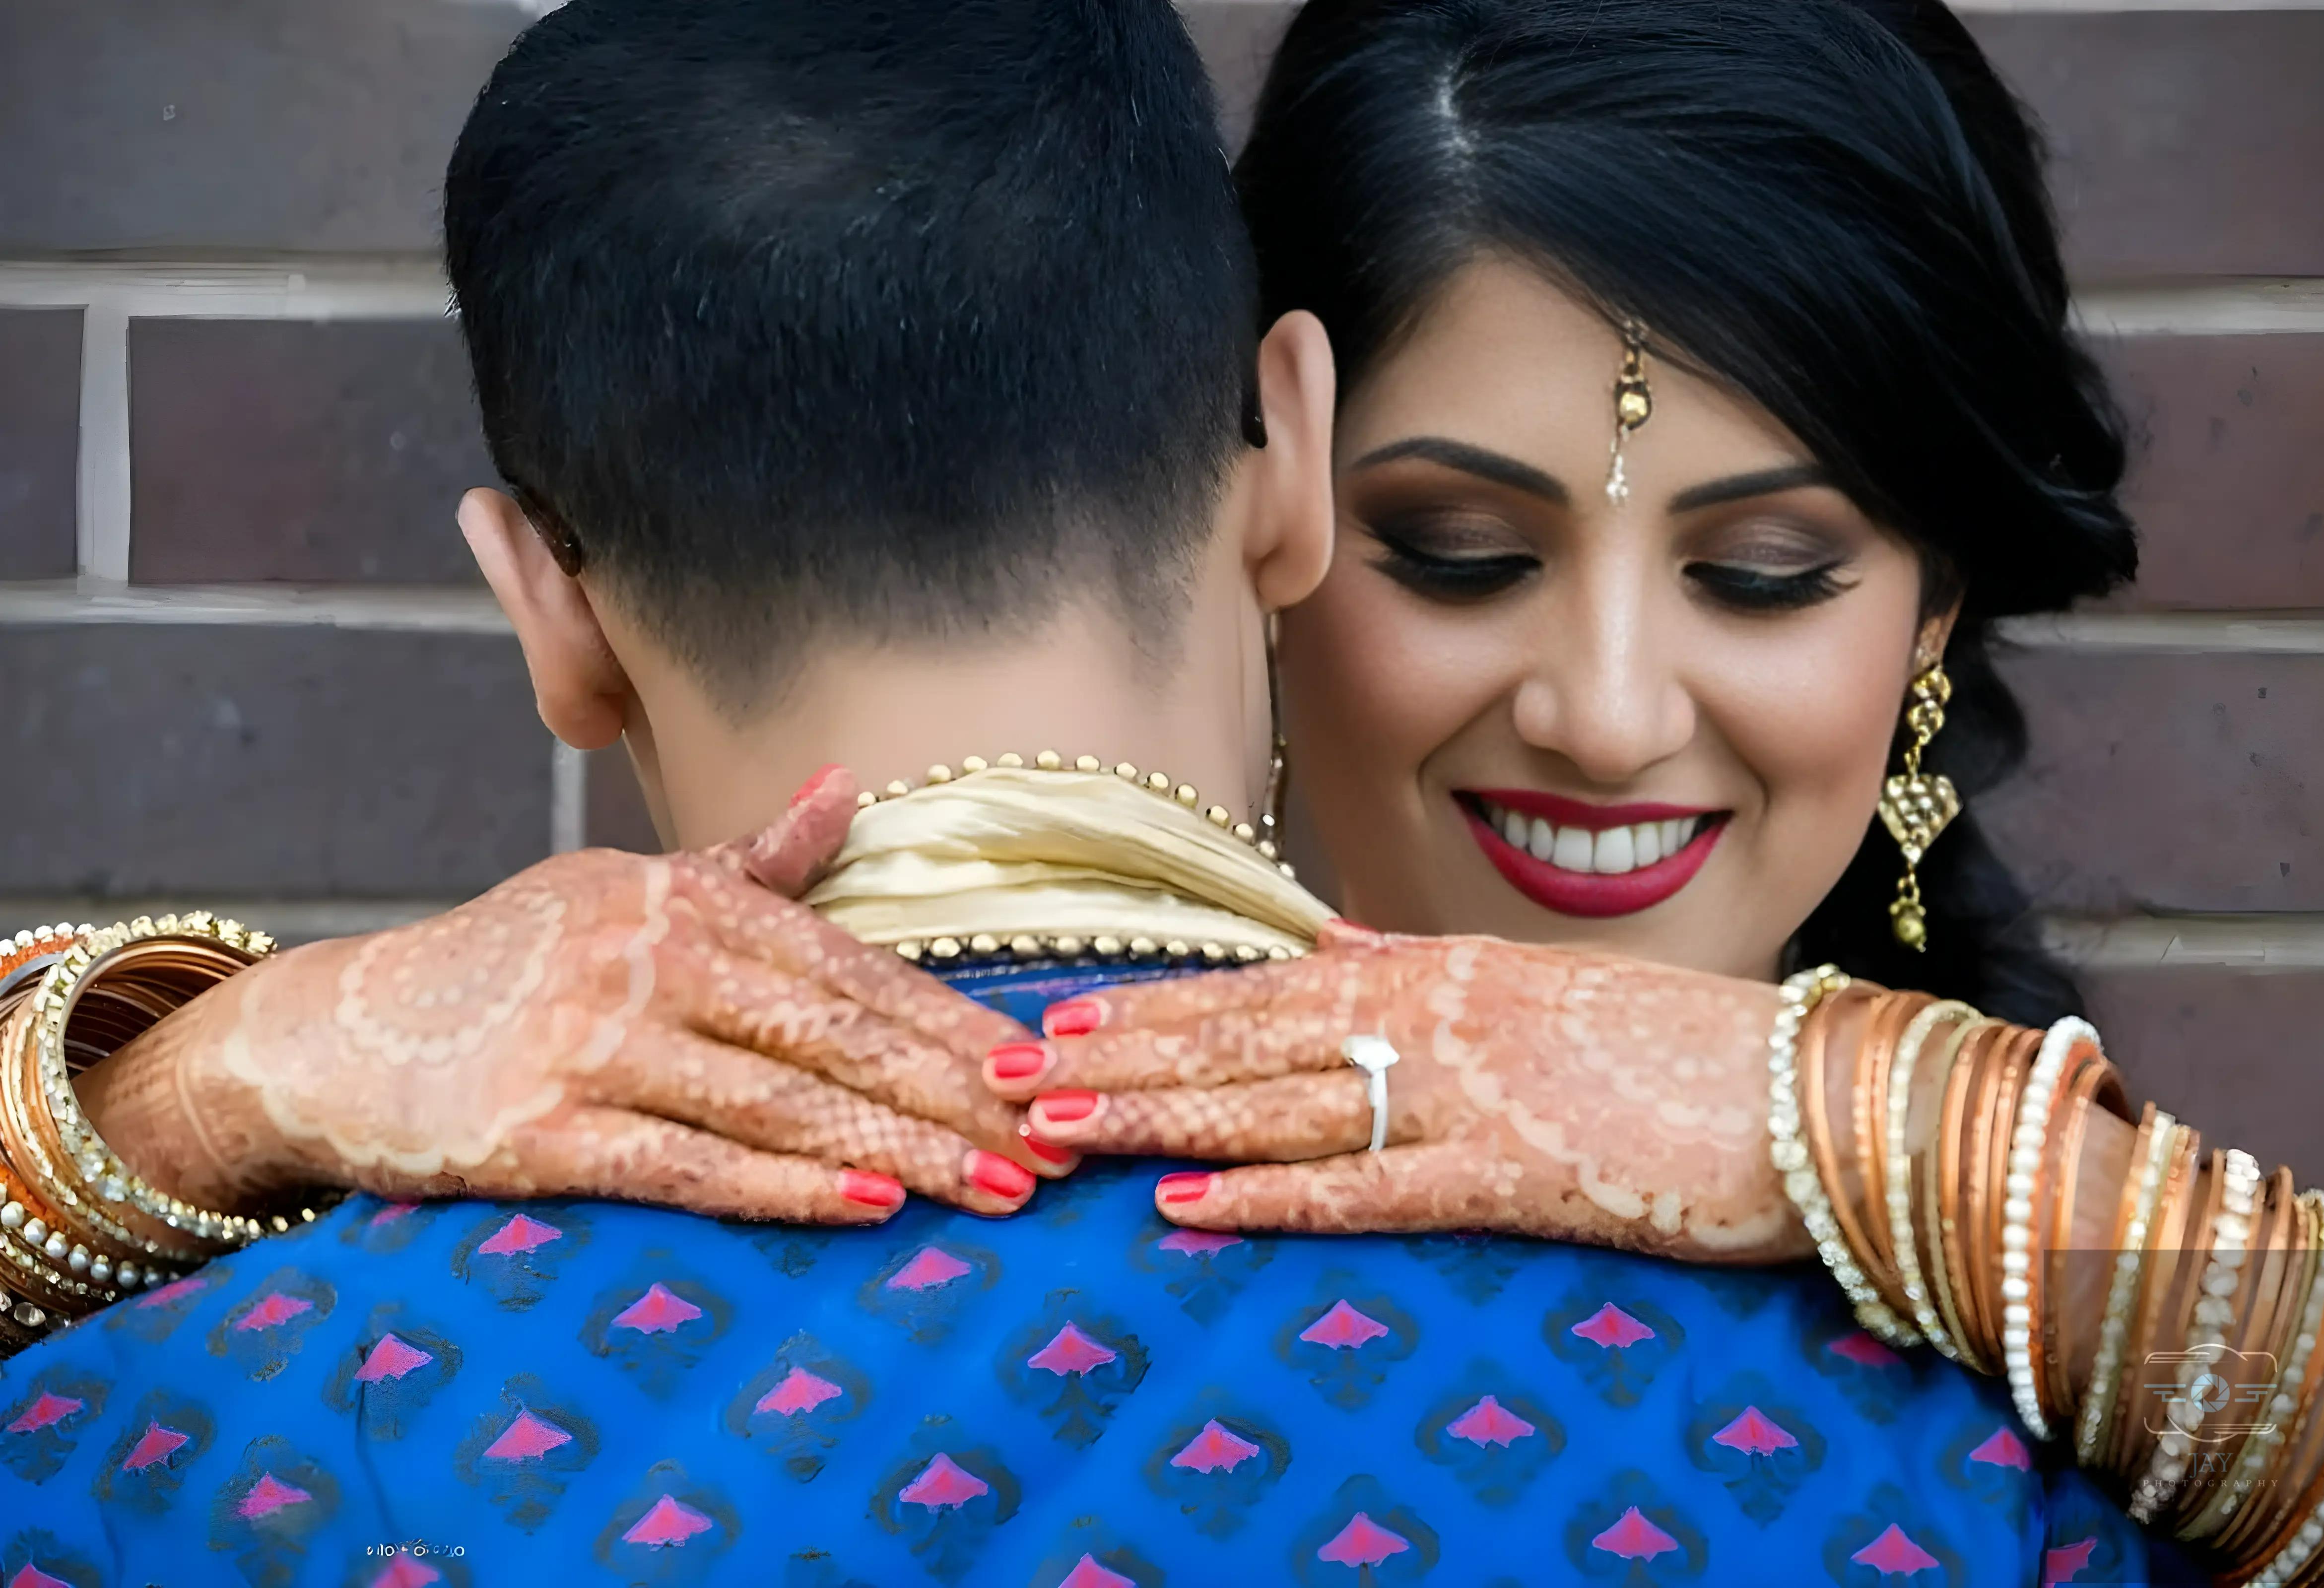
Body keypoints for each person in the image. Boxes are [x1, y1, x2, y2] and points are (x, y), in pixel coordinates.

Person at [0, 0, 2200, 1583]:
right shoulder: (1970, 1475)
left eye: (1766, 570)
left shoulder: (2080, 1357)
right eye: (1461, 550)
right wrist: (220, 1074)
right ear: (1285, 479)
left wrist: (1897, 1146)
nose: (1611, 716)